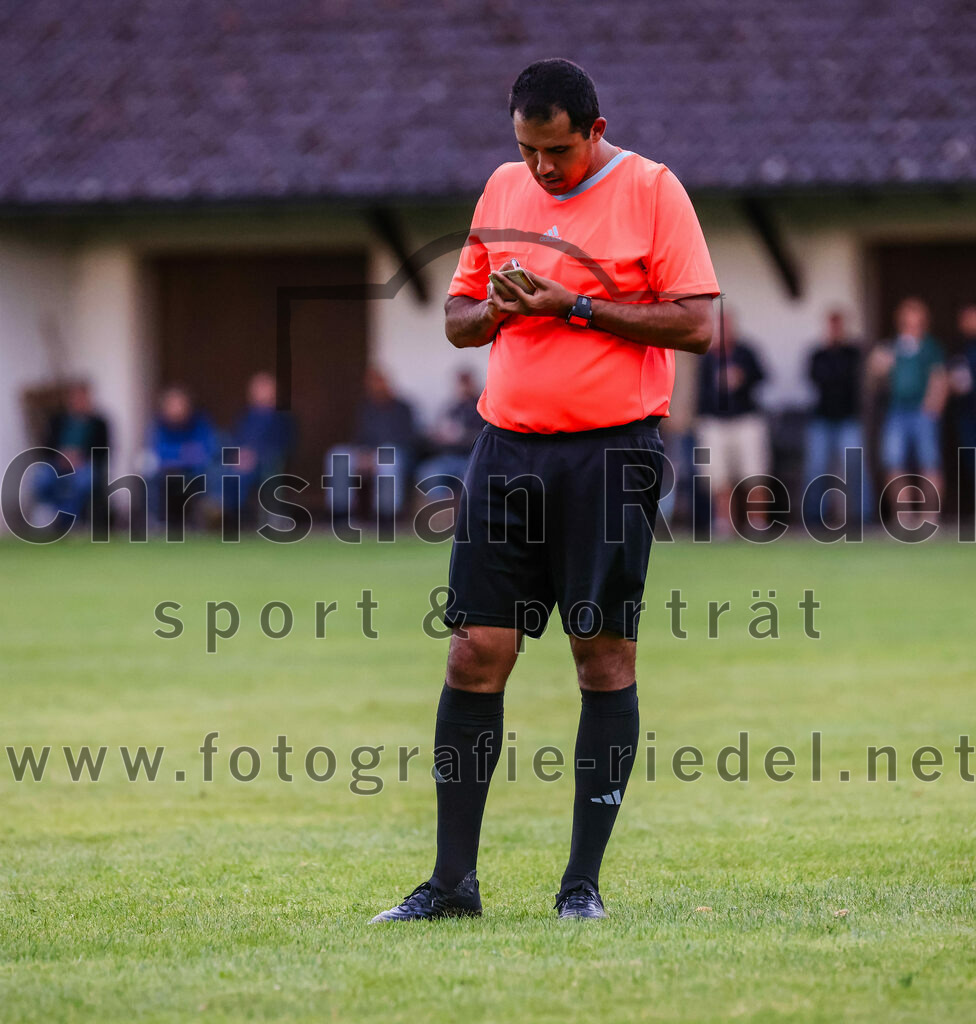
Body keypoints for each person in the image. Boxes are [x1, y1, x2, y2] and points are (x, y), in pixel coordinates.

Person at [371, 59, 718, 923]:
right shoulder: (502, 188)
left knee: (601, 655)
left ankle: (580, 888)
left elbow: (696, 323)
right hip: (505, 453)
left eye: (556, 151)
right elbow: (457, 319)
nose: (540, 168)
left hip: (611, 455)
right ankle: (452, 885)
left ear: (595, 130)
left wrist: (574, 306)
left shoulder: (653, 189)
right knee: (473, 653)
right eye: (527, 149)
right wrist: (498, 309)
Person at [868, 297, 947, 513]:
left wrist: (933, 407)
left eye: (916, 322)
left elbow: (940, 378)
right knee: (893, 463)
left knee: (929, 463)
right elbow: (874, 377)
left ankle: (930, 516)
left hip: (923, 412)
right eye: (907, 322)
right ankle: (904, 517)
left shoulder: (931, 347)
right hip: (896, 411)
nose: (911, 327)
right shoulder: (892, 346)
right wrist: (878, 364)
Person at [694, 310, 769, 536]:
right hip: (715, 423)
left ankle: (757, 523)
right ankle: (725, 524)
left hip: (746, 420)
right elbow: (699, 393)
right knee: (718, 477)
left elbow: (763, 377)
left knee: (754, 473)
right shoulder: (706, 356)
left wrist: (742, 378)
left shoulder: (746, 352)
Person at [802, 310, 871, 528]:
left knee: (855, 466)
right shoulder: (818, 354)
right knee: (816, 468)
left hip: (849, 418)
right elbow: (816, 379)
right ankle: (813, 516)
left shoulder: (854, 353)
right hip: (822, 419)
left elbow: (854, 378)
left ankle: (863, 515)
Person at [326, 367, 418, 524]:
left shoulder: (403, 408)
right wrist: (362, 454)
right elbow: (358, 437)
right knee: (337, 454)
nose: (375, 387)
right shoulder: (366, 408)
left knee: (388, 458)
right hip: (367, 454)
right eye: (371, 383)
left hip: (394, 454)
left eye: (379, 382)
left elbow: (407, 439)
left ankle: (386, 516)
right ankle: (340, 513)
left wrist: (375, 455)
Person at [34, 381, 110, 525]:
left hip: (84, 465)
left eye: (82, 398)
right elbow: (46, 447)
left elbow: (103, 451)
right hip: (58, 463)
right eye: (75, 398)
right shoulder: (57, 421)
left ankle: (68, 519)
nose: (78, 402)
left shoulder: (99, 423)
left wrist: (80, 458)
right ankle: (48, 514)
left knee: (83, 480)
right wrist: (62, 457)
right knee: (41, 476)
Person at [225, 371, 295, 519]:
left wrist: (254, 456)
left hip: (265, 464)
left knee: (242, 475)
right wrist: (237, 455)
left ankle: (233, 514)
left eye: (266, 388)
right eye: (257, 389)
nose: (261, 393)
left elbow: (284, 445)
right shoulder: (244, 417)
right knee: (219, 471)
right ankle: (219, 510)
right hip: (239, 462)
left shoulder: (283, 418)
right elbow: (233, 441)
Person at [146, 386, 219, 527]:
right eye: (172, 405)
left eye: (180, 404)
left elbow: (207, 450)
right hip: (166, 473)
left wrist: (179, 457)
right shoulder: (158, 426)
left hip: (194, 472)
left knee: (213, 472)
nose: (177, 409)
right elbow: (158, 452)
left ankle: (205, 520)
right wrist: (183, 454)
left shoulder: (200, 423)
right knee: (149, 474)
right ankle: (155, 522)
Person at [414, 369, 484, 499]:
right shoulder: (451, 408)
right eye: (461, 383)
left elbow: (485, 437)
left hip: (471, 458)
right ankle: (443, 505)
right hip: (448, 456)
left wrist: (463, 435)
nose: (463, 388)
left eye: (466, 383)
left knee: (473, 478)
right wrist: (440, 436)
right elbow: (437, 433)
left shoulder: (483, 408)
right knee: (428, 473)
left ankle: (464, 506)